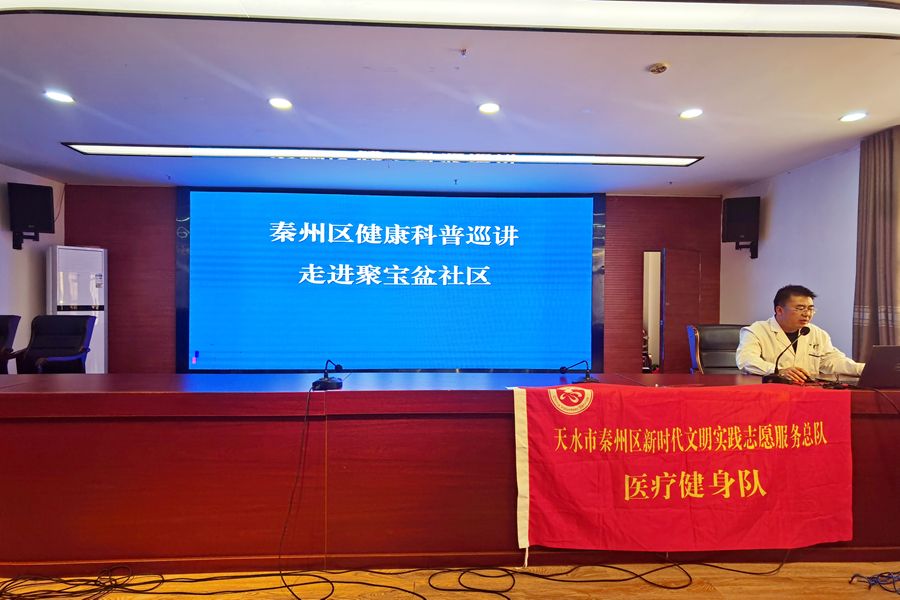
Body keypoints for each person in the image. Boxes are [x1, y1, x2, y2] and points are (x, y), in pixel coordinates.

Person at [736, 284, 864, 383]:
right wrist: (778, 371)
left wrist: (863, 369)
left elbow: (834, 361)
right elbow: (746, 361)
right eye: (800, 308)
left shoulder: (816, 333)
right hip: (771, 394)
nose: (807, 314)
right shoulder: (757, 331)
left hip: (807, 393)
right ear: (779, 310)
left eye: (810, 309)